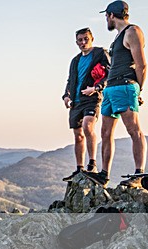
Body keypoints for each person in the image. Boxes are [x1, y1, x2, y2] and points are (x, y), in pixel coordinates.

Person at [89, 0, 147, 188]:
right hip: (111, 89)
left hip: (125, 86)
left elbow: (142, 64)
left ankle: (139, 174)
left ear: (112, 15)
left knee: (133, 130)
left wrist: (138, 88)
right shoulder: (118, 37)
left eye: (106, 16)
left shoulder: (133, 31)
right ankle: (104, 174)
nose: (106, 19)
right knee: (106, 132)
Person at [62, 28, 110, 181]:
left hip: (92, 97)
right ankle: (79, 168)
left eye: (86, 39)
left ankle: (92, 163)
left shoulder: (100, 54)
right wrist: (66, 96)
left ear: (92, 38)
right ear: (76, 42)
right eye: (80, 40)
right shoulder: (75, 60)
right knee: (78, 136)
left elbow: (110, 73)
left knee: (87, 126)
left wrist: (96, 88)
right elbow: (70, 80)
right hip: (76, 102)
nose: (83, 42)